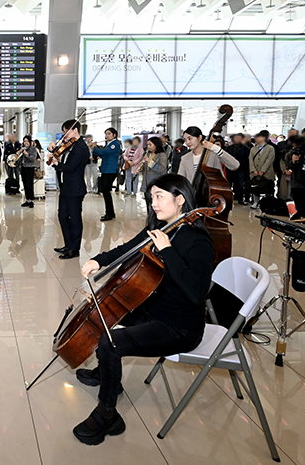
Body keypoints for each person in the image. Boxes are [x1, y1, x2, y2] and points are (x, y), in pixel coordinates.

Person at [73, 174, 213, 445]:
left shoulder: (197, 240)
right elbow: (128, 248)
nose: (154, 204)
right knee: (105, 313)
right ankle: (107, 374)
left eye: (160, 197)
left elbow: (197, 293)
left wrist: (168, 251)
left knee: (111, 344)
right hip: (156, 308)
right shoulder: (161, 227)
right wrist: (97, 261)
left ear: (180, 199)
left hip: (180, 326)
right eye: (152, 198)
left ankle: (107, 414)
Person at [49, 119, 89, 259]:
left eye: (66, 131)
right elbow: (59, 153)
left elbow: (70, 168)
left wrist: (56, 163)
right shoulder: (70, 145)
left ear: (75, 130)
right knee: (63, 216)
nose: (64, 135)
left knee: (75, 219)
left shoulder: (81, 147)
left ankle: (75, 249)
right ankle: (68, 244)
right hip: (66, 187)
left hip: (75, 188)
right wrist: (52, 149)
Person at [90, 128, 122, 221]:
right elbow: (103, 155)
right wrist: (94, 149)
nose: (106, 136)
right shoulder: (109, 144)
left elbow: (104, 152)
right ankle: (110, 212)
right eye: (106, 134)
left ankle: (109, 213)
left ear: (114, 135)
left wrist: (95, 147)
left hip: (110, 170)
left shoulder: (115, 144)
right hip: (105, 169)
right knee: (105, 191)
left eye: (108, 134)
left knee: (106, 191)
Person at [249, 131, 277, 208]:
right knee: (256, 187)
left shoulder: (270, 148)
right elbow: (250, 160)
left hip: (267, 172)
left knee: (268, 187)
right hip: (255, 172)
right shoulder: (253, 149)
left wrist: (263, 170)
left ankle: (268, 202)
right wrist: (253, 170)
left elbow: (270, 160)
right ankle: (256, 202)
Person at [139, 136, 168, 206]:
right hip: (146, 183)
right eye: (147, 145)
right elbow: (146, 169)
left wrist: (150, 161)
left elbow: (162, 169)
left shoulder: (162, 155)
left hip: (157, 183)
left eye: (150, 144)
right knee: (148, 203)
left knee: (156, 204)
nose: (148, 147)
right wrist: (141, 167)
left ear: (156, 145)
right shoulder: (147, 154)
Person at [225, 133, 250, 204]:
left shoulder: (246, 149)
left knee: (240, 184)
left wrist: (238, 167)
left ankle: (240, 199)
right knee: (228, 184)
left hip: (240, 170)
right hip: (229, 169)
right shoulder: (228, 148)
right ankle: (228, 198)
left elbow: (246, 160)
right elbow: (226, 159)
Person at [18, 135, 39, 208]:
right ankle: (27, 200)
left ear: (30, 142)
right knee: (25, 184)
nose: (26, 143)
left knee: (30, 185)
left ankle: (31, 200)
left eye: (27, 141)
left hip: (30, 168)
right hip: (23, 168)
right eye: (24, 141)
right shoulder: (22, 149)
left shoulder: (33, 149)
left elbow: (33, 158)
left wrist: (26, 154)